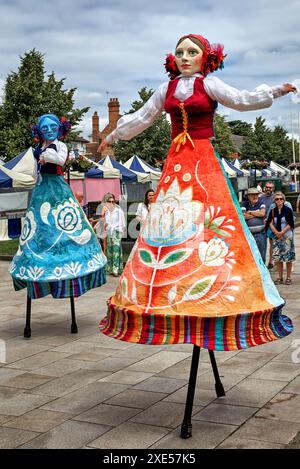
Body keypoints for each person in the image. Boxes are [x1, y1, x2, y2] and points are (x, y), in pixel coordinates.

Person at [98, 33, 295, 350]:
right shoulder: (167, 90)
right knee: (171, 221)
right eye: (180, 52)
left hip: (203, 158)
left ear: (206, 57)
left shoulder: (210, 84)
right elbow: (143, 118)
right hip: (177, 161)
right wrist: (114, 137)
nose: (185, 57)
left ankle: (218, 285)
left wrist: (276, 91)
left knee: (213, 219)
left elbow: (242, 99)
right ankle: (169, 286)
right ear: (173, 58)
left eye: (192, 52)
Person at [9, 114, 107, 299]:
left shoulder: (59, 146)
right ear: (39, 131)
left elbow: (61, 160)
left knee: (64, 219)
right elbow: (33, 171)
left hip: (57, 189)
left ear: (59, 129)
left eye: (52, 127)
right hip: (41, 188)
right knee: (40, 223)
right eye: (44, 128)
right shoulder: (38, 149)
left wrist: (46, 155)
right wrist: (39, 163)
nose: (48, 130)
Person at [266, 191, 295, 285]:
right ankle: (280, 277)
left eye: (281, 199)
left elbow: (291, 223)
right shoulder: (273, 210)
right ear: (274, 200)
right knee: (278, 258)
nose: (279, 200)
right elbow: (269, 222)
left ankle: (289, 277)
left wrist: (282, 232)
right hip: (277, 237)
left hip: (287, 236)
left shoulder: (288, 210)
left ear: (283, 200)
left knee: (288, 258)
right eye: (277, 199)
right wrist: (276, 232)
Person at [99, 193, 125, 277]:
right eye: (109, 201)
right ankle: (110, 268)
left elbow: (123, 223)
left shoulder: (119, 211)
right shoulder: (106, 212)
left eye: (113, 201)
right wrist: (103, 214)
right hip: (109, 232)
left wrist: (120, 232)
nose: (111, 203)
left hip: (117, 232)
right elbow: (103, 223)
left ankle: (115, 269)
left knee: (116, 251)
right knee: (109, 251)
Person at [241, 187, 266, 262]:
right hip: (248, 235)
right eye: (252, 195)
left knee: (261, 256)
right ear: (248, 196)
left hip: (260, 234)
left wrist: (250, 212)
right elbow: (243, 216)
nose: (255, 196)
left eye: (256, 194)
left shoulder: (261, 203)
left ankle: (262, 273)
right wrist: (256, 213)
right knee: (250, 256)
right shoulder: (244, 204)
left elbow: (262, 213)